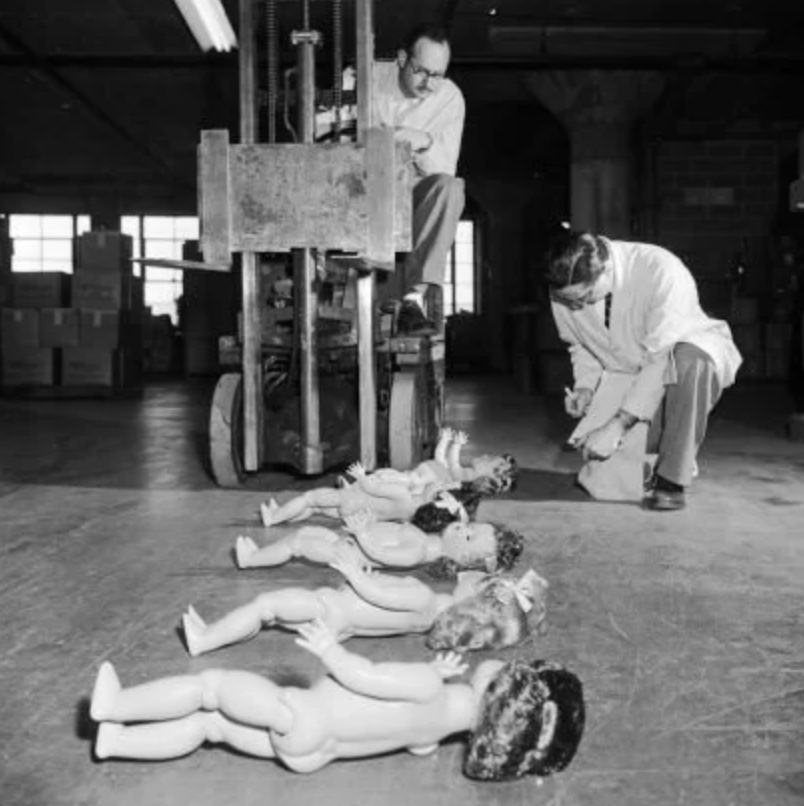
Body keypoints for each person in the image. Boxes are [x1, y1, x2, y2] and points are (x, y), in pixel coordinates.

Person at [90, 619, 585, 781]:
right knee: (210, 730)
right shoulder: (437, 732)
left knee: (210, 689)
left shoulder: (430, 687)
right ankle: (113, 743)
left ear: (506, 694)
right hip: (311, 753)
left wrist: (330, 649)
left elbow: (366, 677)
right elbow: (413, 741)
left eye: (515, 669)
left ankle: (115, 708)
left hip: (301, 713)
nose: (503, 662)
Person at [544, 230, 743, 511]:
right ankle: (656, 453)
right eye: (569, 301)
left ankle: (673, 479)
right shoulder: (565, 292)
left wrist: (617, 426)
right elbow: (580, 344)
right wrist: (585, 388)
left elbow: (660, 358)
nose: (576, 306)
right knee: (608, 483)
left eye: (585, 297)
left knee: (690, 362)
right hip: (628, 374)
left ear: (607, 269)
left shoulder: (660, 269)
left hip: (677, 360)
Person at [181, 548, 547, 656]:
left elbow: (382, 596)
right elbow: (386, 607)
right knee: (270, 616)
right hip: (340, 627)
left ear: (474, 602)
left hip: (329, 608)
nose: (469, 575)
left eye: (479, 580)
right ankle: (213, 634)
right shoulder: (431, 616)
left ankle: (205, 640)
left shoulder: (426, 598)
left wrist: (356, 575)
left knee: (264, 606)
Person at [372, 24, 466, 335]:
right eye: (421, 71)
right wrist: (393, 140)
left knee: (450, 190)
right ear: (401, 58)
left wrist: (421, 140)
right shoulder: (365, 78)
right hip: (364, 193)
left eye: (438, 75)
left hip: (411, 199)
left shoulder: (450, 99)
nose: (429, 83)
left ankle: (413, 299)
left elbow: (443, 168)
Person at [237, 508, 524, 579]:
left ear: (461, 559)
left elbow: (383, 556)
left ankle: (251, 560)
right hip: (347, 541)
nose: (463, 527)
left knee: (298, 542)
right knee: (308, 531)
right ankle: (257, 554)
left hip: (347, 552)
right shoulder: (426, 540)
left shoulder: (419, 551)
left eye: (469, 536)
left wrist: (362, 533)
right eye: (470, 526)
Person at [340, 427, 518, 496]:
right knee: (386, 475)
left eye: (490, 459)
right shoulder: (463, 472)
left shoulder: (468, 477)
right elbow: (440, 459)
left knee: (392, 481)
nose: (486, 455)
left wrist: (455, 445)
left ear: (491, 476)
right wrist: (444, 441)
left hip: (421, 482)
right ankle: (356, 487)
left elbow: (453, 468)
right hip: (419, 475)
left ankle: (359, 487)